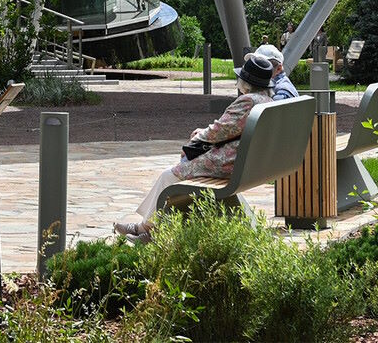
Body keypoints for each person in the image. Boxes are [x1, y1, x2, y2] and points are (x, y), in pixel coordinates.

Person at [113, 52, 276, 239]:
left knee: (169, 176)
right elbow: (229, 129)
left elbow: (220, 130)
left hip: (229, 165)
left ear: (245, 82)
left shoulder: (248, 102)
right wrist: (204, 133)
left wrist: (198, 136)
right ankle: (150, 227)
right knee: (179, 171)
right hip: (247, 165)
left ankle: (145, 229)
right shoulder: (267, 102)